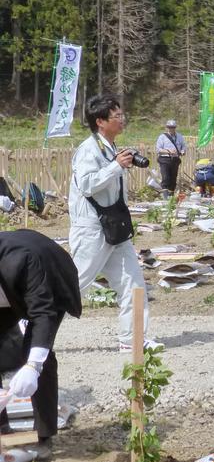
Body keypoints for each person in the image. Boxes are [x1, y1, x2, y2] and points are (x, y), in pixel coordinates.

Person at [70, 94, 160, 353]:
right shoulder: (88, 150)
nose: (122, 120)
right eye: (116, 116)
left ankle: (132, 340)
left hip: (115, 227)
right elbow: (86, 184)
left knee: (134, 284)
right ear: (100, 121)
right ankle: (29, 329)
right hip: (91, 229)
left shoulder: (111, 148)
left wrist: (120, 163)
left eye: (122, 115)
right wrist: (115, 167)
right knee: (76, 285)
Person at [0, 230, 82, 461]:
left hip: (50, 280)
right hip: (7, 293)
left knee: (35, 351)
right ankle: (2, 428)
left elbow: (42, 314)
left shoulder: (22, 260)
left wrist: (33, 366)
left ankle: (44, 435)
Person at [155, 119, 186, 198]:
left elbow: (183, 147)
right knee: (165, 178)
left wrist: (182, 151)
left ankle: (171, 196)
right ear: (167, 127)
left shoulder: (179, 136)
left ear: (175, 127)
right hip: (165, 159)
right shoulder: (162, 137)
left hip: (175, 160)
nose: (171, 129)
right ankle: (165, 197)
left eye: (173, 127)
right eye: (169, 127)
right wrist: (168, 151)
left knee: (173, 179)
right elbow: (158, 149)